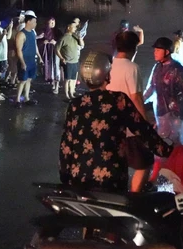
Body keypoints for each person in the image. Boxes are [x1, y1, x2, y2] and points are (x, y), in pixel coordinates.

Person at [59, 52, 173, 192]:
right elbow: (143, 130)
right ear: (105, 75)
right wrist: (167, 151)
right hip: (110, 176)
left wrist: (65, 177)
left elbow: (66, 144)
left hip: (79, 177)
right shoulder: (118, 100)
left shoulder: (75, 104)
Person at [108, 30, 153, 192]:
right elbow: (136, 98)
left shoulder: (109, 65)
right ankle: (135, 197)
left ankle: (118, 193)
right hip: (129, 126)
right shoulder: (132, 68)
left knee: (118, 162)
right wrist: (145, 123)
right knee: (144, 163)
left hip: (111, 122)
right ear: (134, 49)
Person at [144, 37, 183, 146]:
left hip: (177, 112)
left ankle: (179, 161)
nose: (155, 52)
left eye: (158, 50)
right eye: (155, 50)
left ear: (167, 51)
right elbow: (152, 88)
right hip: (162, 111)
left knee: (177, 141)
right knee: (163, 139)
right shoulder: (158, 68)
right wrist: (141, 101)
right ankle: (166, 162)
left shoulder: (177, 69)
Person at [14, 13, 39, 107]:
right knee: (22, 80)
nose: (35, 24)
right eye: (34, 22)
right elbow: (19, 50)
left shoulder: (32, 32)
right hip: (25, 60)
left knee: (29, 79)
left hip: (32, 60)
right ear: (28, 22)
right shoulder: (21, 34)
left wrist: (39, 56)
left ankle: (26, 97)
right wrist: (22, 62)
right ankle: (17, 99)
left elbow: (35, 45)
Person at [57, 21, 85, 99]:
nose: (75, 28)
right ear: (69, 28)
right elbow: (56, 49)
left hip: (75, 61)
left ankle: (71, 93)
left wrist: (80, 38)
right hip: (68, 62)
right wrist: (62, 58)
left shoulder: (75, 36)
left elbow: (82, 45)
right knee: (67, 79)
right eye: (74, 27)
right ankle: (66, 95)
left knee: (73, 79)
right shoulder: (64, 38)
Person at [38, 17, 62, 93]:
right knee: (50, 66)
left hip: (55, 51)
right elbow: (39, 41)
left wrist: (55, 42)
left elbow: (62, 41)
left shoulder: (58, 31)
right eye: (50, 23)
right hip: (48, 52)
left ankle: (57, 85)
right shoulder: (44, 31)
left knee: (56, 66)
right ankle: (52, 81)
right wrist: (43, 42)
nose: (52, 24)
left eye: (53, 22)